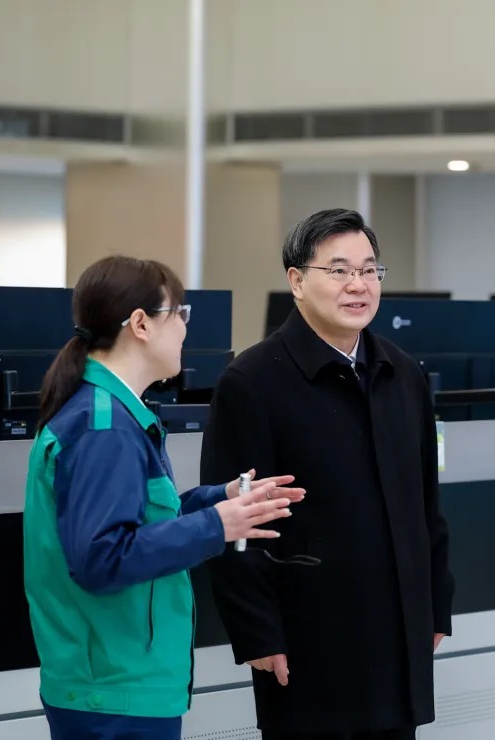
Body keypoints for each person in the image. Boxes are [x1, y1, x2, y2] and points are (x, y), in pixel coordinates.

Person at [23, 255, 305, 740]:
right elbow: (102, 558)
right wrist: (217, 525)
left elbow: (141, 523)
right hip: (112, 692)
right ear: (140, 325)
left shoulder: (113, 415)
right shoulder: (104, 427)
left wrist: (220, 501)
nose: (184, 328)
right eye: (178, 313)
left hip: (118, 685)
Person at [199, 208, 455, 740]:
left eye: (369, 270)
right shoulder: (252, 381)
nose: (358, 285)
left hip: (397, 630)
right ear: (297, 281)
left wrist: (435, 606)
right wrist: (257, 632)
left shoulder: (403, 374)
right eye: (339, 271)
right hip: (307, 635)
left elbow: (425, 505)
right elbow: (237, 526)